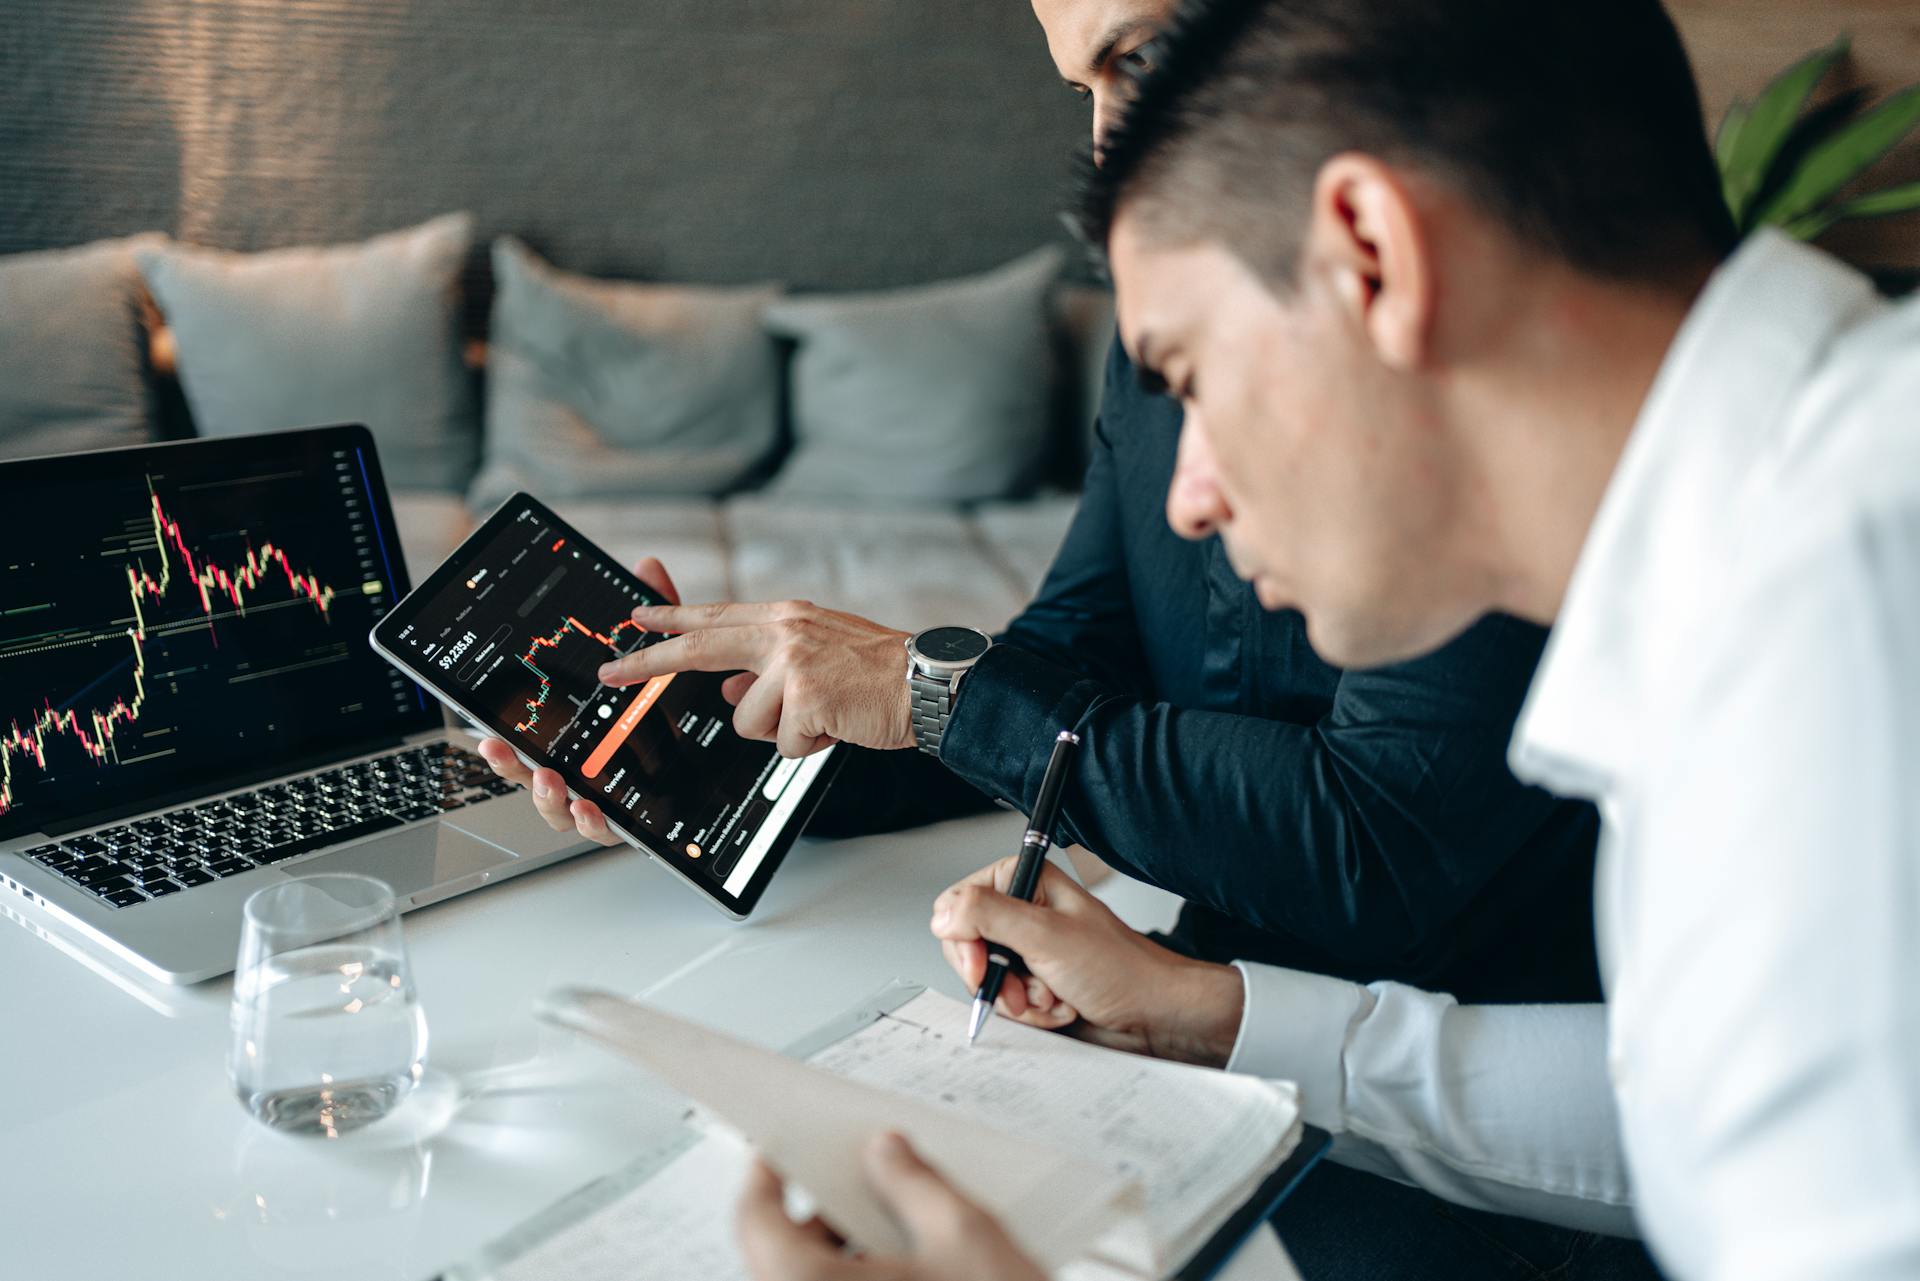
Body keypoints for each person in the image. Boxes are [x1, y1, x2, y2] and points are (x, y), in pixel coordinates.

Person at [731, 0, 1920, 1277]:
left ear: (1369, 252)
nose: (1186, 497)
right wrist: (1222, 1018)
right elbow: (1686, 1103)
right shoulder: (1781, 530)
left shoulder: (1841, 619)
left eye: (1190, 371)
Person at [481, 0, 1604, 1008]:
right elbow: (1070, 660)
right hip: (1190, 1001)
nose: (1109, 157)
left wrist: (930, 690)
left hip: (1434, 1111)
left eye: (1144, 54)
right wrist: (729, 744)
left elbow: (1386, 851)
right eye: (1084, 88)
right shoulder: (1146, 345)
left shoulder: (1486, 370)